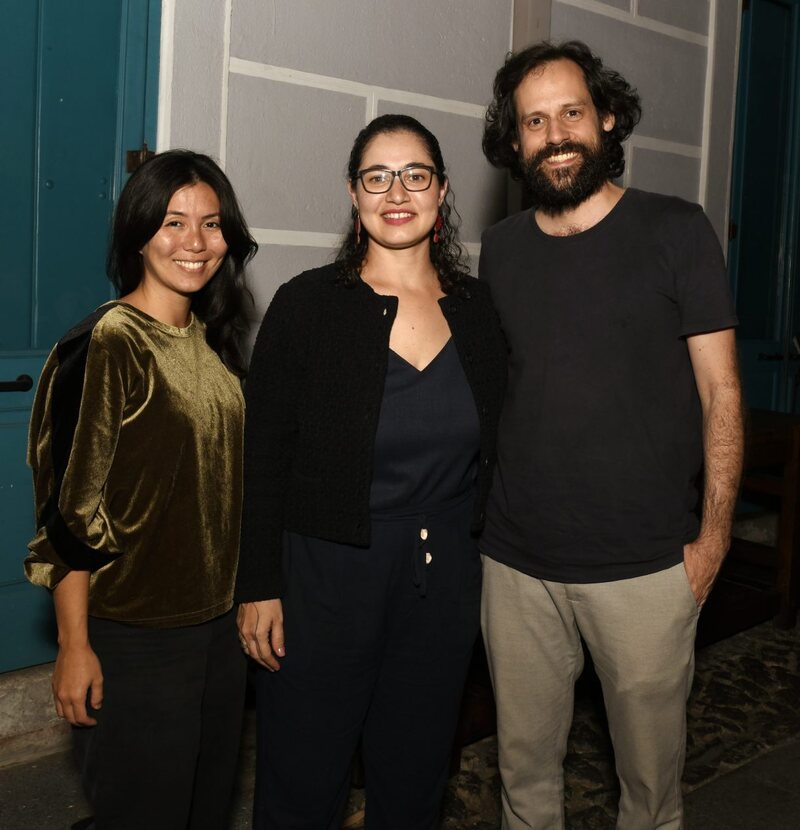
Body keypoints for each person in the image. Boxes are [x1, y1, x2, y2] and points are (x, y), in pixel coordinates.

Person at [479, 41, 744, 829]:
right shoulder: (502, 250)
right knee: (523, 782)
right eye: (534, 121)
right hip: (516, 566)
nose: (555, 133)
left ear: (607, 117)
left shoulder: (677, 230)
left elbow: (721, 392)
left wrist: (715, 538)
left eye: (570, 112)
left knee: (650, 795)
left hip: (647, 569)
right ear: (516, 142)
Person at [235, 113, 507, 829]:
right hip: (325, 577)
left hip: (443, 580)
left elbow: (502, 451)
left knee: (415, 779)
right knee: (302, 779)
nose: (397, 191)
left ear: (441, 191)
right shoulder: (307, 305)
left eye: (415, 175)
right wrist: (258, 586)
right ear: (354, 195)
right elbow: (261, 458)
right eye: (376, 176)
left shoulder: (480, 312)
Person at [25, 149, 257, 830]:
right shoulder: (105, 343)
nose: (195, 242)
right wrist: (74, 646)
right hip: (135, 639)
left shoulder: (214, 349)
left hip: (216, 636)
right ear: (137, 232)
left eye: (211, 225)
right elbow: (68, 515)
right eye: (173, 222)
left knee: (204, 811)